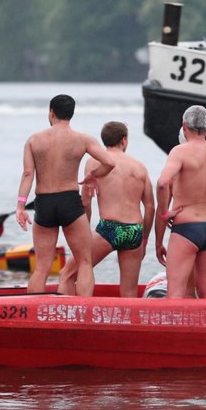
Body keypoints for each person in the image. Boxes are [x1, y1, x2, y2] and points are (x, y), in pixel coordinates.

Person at [16, 94, 116, 296]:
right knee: (85, 262)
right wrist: (93, 176)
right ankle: (84, 312)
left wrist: (20, 206)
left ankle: (32, 315)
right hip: (70, 201)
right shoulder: (82, 139)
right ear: (71, 114)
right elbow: (110, 163)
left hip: (44, 202)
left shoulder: (34, 140)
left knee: (42, 267)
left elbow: (28, 174)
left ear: (51, 113)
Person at [59, 121, 155, 297]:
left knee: (67, 274)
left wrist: (84, 233)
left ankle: (69, 320)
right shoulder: (139, 167)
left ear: (104, 140)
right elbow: (150, 207)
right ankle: (127, 324)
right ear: (124, 140)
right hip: (134, 230)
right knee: (129, 291)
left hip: (109, 229)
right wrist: (145, 238)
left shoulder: (95, 162)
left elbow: (86, 202)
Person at [154, 105, 206, 298]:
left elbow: (163, 182)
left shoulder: (179, 152)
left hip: (186, 229)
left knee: (176, 293)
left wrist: (164, 215)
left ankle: (174, 329)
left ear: (184, 126)